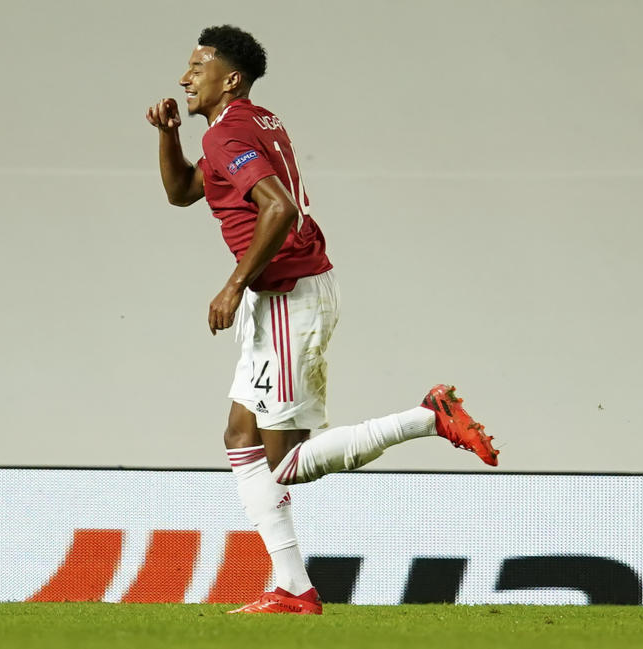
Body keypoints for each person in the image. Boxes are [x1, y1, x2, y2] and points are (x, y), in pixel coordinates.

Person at [146, 25, 498, 615]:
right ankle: (293, 588)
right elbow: (184, 192)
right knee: (240, 437)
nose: (185, 77)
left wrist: (234, 284)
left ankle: (426, 416)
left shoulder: (231, 132)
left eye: (197, 66)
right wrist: (167, 136)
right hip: (279, 295)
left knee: (284, 463)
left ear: (229, 78)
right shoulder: (252, 124)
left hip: (287, 295)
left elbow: (279, 208)